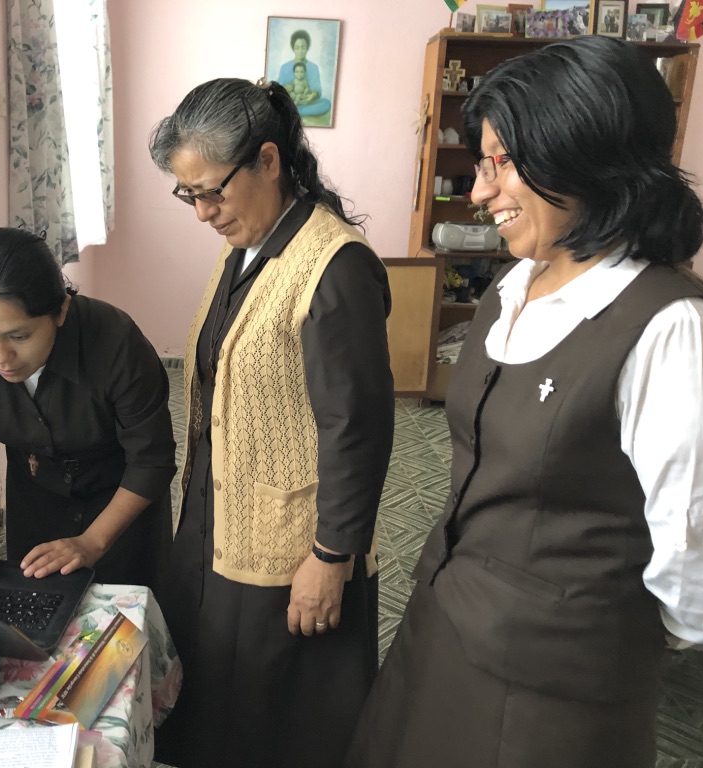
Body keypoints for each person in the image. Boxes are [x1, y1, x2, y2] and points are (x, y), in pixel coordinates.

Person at [344, 36, 703, 768]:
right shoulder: (513, 285)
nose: (480, 191)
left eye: (502, 164)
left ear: (585, 154)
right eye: (480, 162)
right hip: (444, 620)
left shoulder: (674, 330)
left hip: (557, 684)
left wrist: (592, 630)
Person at [147, 78, 394, 768]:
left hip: (292, 550)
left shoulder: (334, 267)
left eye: (211, 191)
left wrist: (330, 557)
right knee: (220, 708)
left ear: (267, 160)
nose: (201, 212)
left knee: (279, 723)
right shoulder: (245, 250)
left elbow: (359, 430)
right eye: (187, 194)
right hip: (222, 527)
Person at [0, 227, 176, 590]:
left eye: (19, 336)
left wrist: (92, 542)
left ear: (61, 310)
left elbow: (152, 459)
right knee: (40, 618)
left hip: (120, 502)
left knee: (124, 630)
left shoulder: (116, 340)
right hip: (36, 499)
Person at [277, 29, 331, 117]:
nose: (300, 51)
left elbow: (317, 90)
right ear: (293, 48)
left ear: (307, 48)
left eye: (303, 47)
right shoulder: (285, 67)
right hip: (290, 100)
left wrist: (312, 96)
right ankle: (293, 109)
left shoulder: (314, 68)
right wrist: (284, 88)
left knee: (326, 104)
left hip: (306, 102)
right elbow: (277, 89)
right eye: (297, 47)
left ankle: (292, 111)